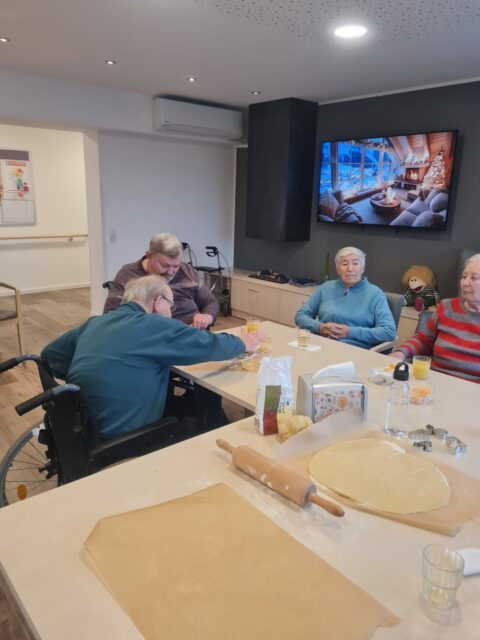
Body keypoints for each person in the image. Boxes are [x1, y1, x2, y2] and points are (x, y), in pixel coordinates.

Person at [42, 275, 263, 440]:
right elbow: (207, 344)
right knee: (202, 410)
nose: (171, 312)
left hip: (84, 422)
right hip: (124, 433)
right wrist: (244, 342)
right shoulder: (153, 324)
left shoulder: (96, 322)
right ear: (158, 302)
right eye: (171, 306)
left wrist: (93, 373)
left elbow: (49, 356)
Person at [391, 254, 480, 383]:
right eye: (464, 276)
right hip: (433, 380)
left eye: (474, 278)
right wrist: (401, 353)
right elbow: (423, 340)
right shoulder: (447, 307)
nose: (465, 283)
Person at [103, 233, 218, 329]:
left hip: (190, 334)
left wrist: (207, 316)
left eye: (176, 266)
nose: (171, 272)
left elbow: (210, 302)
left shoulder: (188, 272)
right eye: (165, 265)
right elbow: (111, 316)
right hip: (151, 339)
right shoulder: (127, 275)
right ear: (149, 256)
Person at [295, 246, 396, 349]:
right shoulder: (326, 287)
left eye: (355, 263)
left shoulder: (375, 294)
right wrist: (319, 327)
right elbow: (301, 315)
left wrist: (349, 332)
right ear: (338, 269)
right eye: (344, 264)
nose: (350, 269)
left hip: (354, 350)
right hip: (320, 344)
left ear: (362, 268)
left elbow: (389, 331)